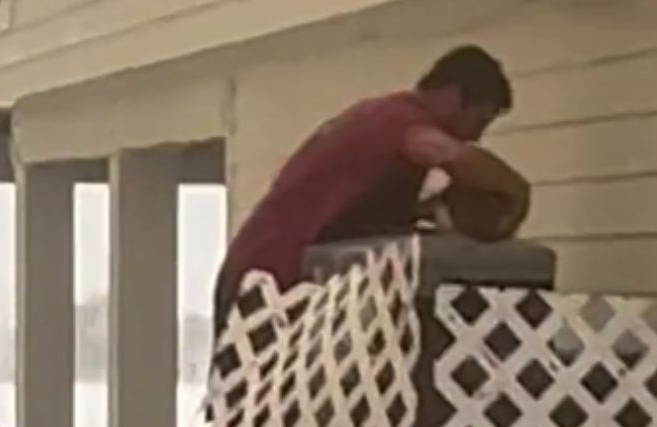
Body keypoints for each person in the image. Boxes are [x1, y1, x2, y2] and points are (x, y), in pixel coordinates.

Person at [213, 45, 530, 336]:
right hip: (268, 278)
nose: (476, 136)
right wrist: (516, 191)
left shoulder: (374, 123)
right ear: (451, 97)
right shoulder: (398, 121)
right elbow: (443, 152)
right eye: (478, 120)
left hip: (261, 273)